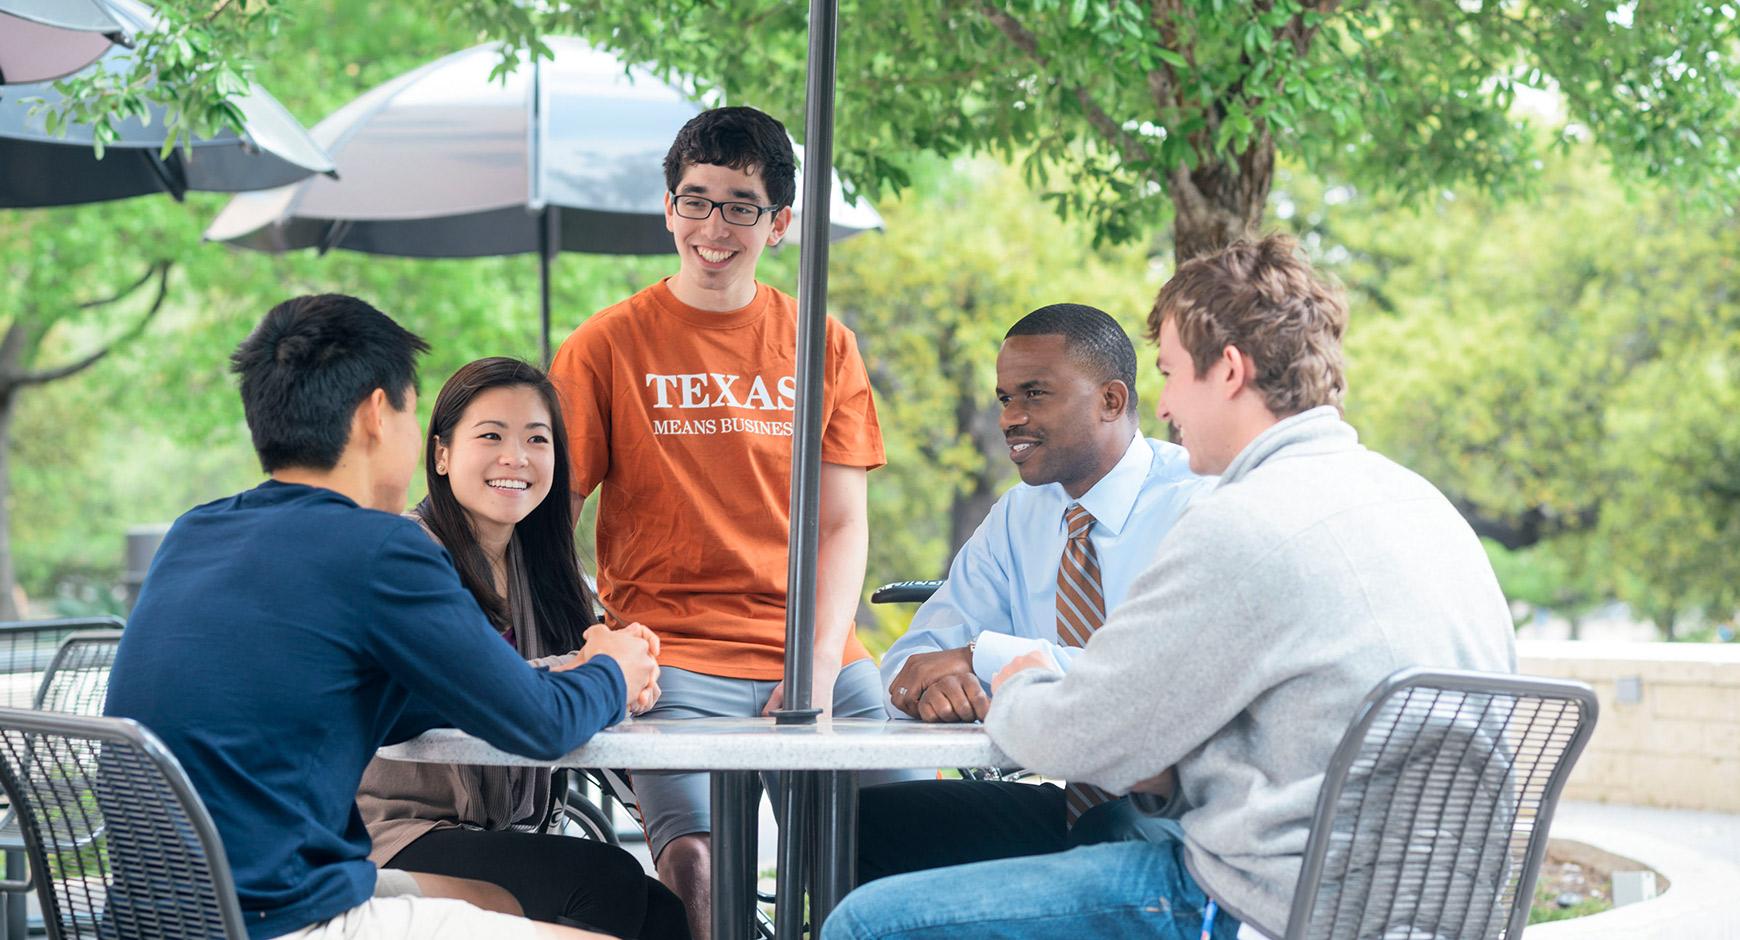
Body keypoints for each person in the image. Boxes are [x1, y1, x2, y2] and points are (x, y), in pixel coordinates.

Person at [821, 235, 1518, 940]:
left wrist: (1014, 669)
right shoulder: (1421, 505)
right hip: (1422, 905)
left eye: (1172, 373)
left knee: (865, 925)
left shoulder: (1240, 521)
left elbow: (1081, 732)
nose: (1163, 407)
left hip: (1258, 902)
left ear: (1230, 373)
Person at [106, 294, 661, 940]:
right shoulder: (378, 547)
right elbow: (542, 725)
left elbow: (363, 701)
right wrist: (613, 670)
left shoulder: (194, 532)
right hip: (283, 918)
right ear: (377, 414)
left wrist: (553, 673)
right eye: (411, 411)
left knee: (497, 898)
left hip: (160, 915)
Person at [547, 105, 904, 937]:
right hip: (672, 658)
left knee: (911, 844)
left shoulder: (822, 342)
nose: (714, 225)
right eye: (696, 199)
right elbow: (549, 519)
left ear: (779, 223)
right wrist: (598, 634)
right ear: (668, 208)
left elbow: (843, 525)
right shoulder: (605, 345)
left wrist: (817, 659)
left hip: (813, 655)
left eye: (740, 204)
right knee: (699, 869)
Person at [858, 302, 1207, 882]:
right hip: (1078, 810)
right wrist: (936, 684)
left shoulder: (1196, 504)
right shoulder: (1020, 516)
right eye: (1004, 398)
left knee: (1113, 835)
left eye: (1035, 394)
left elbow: (1145, 685)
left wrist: (980, 658)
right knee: (864, 823)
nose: (1010, 418)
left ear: (1111, 401)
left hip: (1191, 816)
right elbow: (910, 658)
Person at [355, 357, 688, 939]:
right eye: (491, 436)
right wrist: (594, 669)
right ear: (441, 454)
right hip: (397, 831)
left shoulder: (540, 566)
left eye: (538, 439)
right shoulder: (410, 554)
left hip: (500, 830)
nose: (517, 458)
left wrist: (634, 680)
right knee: (603, 880)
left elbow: (578, 681)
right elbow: (474, 686)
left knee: (662, 910)